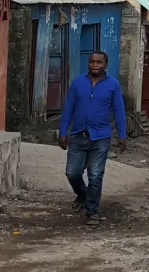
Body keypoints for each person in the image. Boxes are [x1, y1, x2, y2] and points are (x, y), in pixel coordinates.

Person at [58, 50, 127, 226]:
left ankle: (92, 212)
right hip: (78, 135)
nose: (95, 65)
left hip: (100, 137)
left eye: (99, 62)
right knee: (72, 172)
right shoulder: (78, 83)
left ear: (106, 65)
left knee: (95, 175)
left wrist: (122, 135)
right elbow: (68, 108)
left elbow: (119, 111)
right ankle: (83, 195)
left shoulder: (113, 85)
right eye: (92, 62)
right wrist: (63, 131)